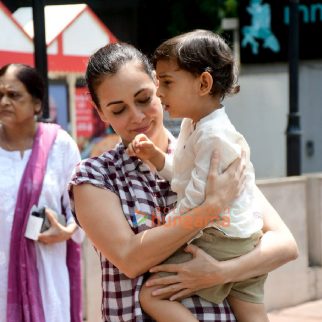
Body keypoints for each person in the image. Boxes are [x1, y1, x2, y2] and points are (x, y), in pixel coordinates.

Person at [68, 42, 298, 322]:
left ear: (158, 84)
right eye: (118, 110)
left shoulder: (209, 149)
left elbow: (285, 244)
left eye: (144, 99)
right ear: (100, 112)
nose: (137, 117)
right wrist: (209, 209)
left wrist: (218, 274)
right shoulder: (95, 176)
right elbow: (130, 258)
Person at [128, 29, 270, 322]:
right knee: (253, 315)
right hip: (243, 237)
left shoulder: (212, 135)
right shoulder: (197, 126)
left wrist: (165, 230)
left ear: (203, 83)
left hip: (221, 240)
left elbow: (196, 199)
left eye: (166, 82)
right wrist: (157, 157)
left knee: (151, 294)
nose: (159, 92)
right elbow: (183, 176)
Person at [0, 63, 84, 322]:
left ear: (37, 104)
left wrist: (67, 231)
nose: (4, 101)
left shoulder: (60, 146)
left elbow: (81, 210)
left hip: (47, 274)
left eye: (13, 95)